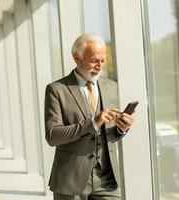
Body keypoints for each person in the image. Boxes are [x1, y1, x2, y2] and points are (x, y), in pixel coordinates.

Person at [44, 33, 135, 200]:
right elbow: (52, 136)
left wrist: (122, 129)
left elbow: (108, 135)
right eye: (94, 61)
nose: (100, 66)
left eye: (103, 60)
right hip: (71, 181)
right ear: (77, 58)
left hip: (107, 180)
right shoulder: (56, 90)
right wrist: (93, 122)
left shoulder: (111, 86)